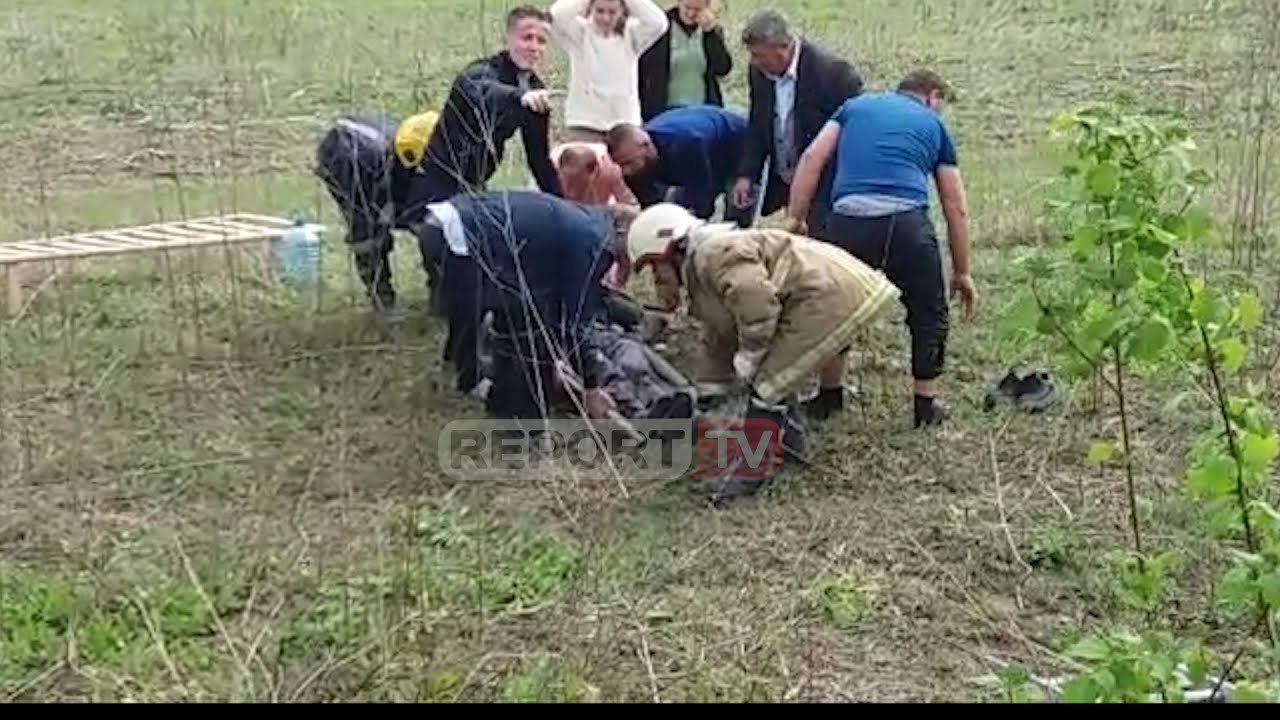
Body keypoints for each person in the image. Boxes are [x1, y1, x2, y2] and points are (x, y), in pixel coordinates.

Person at [624, 202, 901, 498]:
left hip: (826, 297)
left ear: (671, 248)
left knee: (769, 384)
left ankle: (751, 471)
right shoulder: (703, 266)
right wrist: (707, 392)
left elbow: (755, 302)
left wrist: (751, 355)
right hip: (823, 292)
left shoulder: (715, 253)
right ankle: (793, 446)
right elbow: (720, 335)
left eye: (655, 265)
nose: (657, 276)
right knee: (777, 375)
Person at [786, 70, 976, 429]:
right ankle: (925, 404)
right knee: (927, 312)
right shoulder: (933, 125)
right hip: (906, 224)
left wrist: (796, 219)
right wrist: (962, 271)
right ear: (932, 96)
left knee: (836, 307)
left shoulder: (854, 108)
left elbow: (812, 158)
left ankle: (830, 394)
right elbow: (955, 204)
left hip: (847, 220)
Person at [417, 190, 637, 419]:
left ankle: (493, 391)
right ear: (621, 231)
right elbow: (574, 319)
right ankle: (480, 388)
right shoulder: (593, 240)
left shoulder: (584, 220)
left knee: (514, 311)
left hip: (438, 223)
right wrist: (591, 386)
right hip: (457, 238)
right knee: (491, 313)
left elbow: (554, 297)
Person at [728, 10, 864, 238]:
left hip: (825, 186)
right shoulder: (759, 73)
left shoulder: (833, 74)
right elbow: (758, 125)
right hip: (784, 182)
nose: (754, 62)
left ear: (782, 49)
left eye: (759, 55)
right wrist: (747, 174)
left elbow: (857, 133)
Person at [414, 6, 564, 204]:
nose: (534, 47)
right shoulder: (481, 72)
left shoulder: (536, 91)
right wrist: (520, 97)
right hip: (438, 179)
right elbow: (483, 91)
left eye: (541, 41)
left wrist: (564, 205)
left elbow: (539, 160)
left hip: (476, 183)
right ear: (507, 39)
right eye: (527, 38)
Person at [313, 110, 439, 315]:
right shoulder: (357, 163)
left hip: (392, 159)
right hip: (351, 160)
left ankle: (443, 296)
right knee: (369, 231)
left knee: (433, 227)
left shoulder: (441, 149)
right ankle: (382, 301)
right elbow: (364, 236)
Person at [604, 104, 751, 226]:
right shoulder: (635, 162)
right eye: (620, 165)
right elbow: (650, 206)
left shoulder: (685, 144)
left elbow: (701, 199)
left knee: (737, 212)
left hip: (738, 146)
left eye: (628, 163)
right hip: (702, 156)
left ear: (646, 146)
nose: (625, 172)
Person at [549, 0, 669, 144]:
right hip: (584, 123)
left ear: (622, 11)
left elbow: (658, 23)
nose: (606, 18)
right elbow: (555, 15)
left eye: (612, 12)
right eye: (600, 11)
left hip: (625, 122)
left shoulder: (631, 35)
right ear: (590, 9)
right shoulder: (579, 34)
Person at [636, 0, 733, 121]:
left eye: (697, 10)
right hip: (665, 112)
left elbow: (723, 68)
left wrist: (711, 35)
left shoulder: (711, 31)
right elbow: (642, 69)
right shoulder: (660, 28)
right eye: (687, 8)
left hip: (703, 110)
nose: (691, 13)